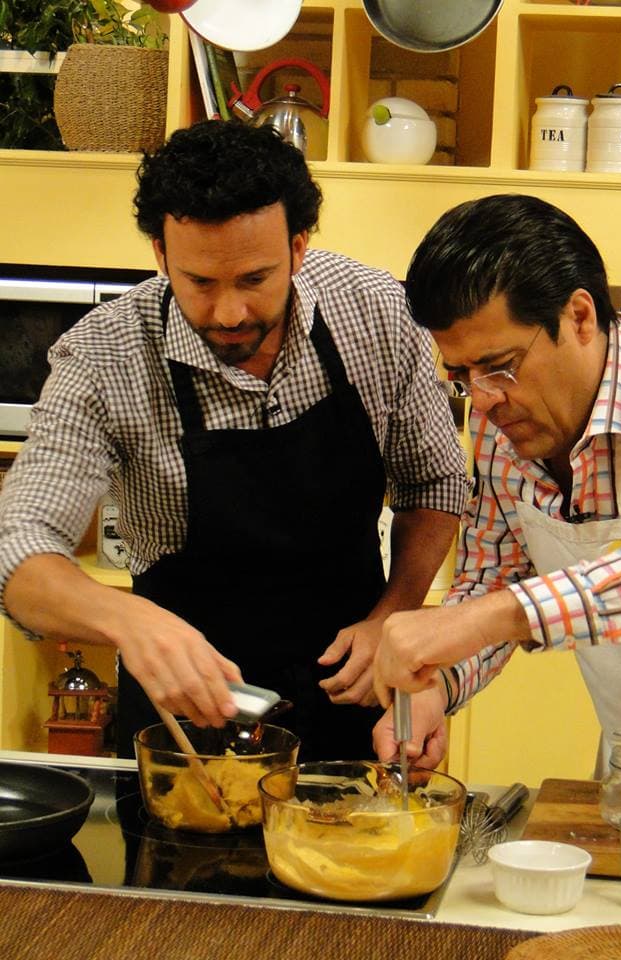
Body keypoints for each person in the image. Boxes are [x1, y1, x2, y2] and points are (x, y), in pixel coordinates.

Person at [0, 119, 468, 760]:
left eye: (254, 279)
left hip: (355, 693)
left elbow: (434, 482)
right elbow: (18, 548)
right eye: (199, 282)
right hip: (186, 721)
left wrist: (395, 612)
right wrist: (127, 621)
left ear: (298, 248)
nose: (228, 313)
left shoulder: (377, 313)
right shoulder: (104, 357)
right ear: (162, 256)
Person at [372, 193, 621, 782]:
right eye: (461, 375)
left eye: (500, 364)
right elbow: (493, 576)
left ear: (580, 317)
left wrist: (496, 617)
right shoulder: (500, 420)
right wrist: (441, 682)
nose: (482, 398)